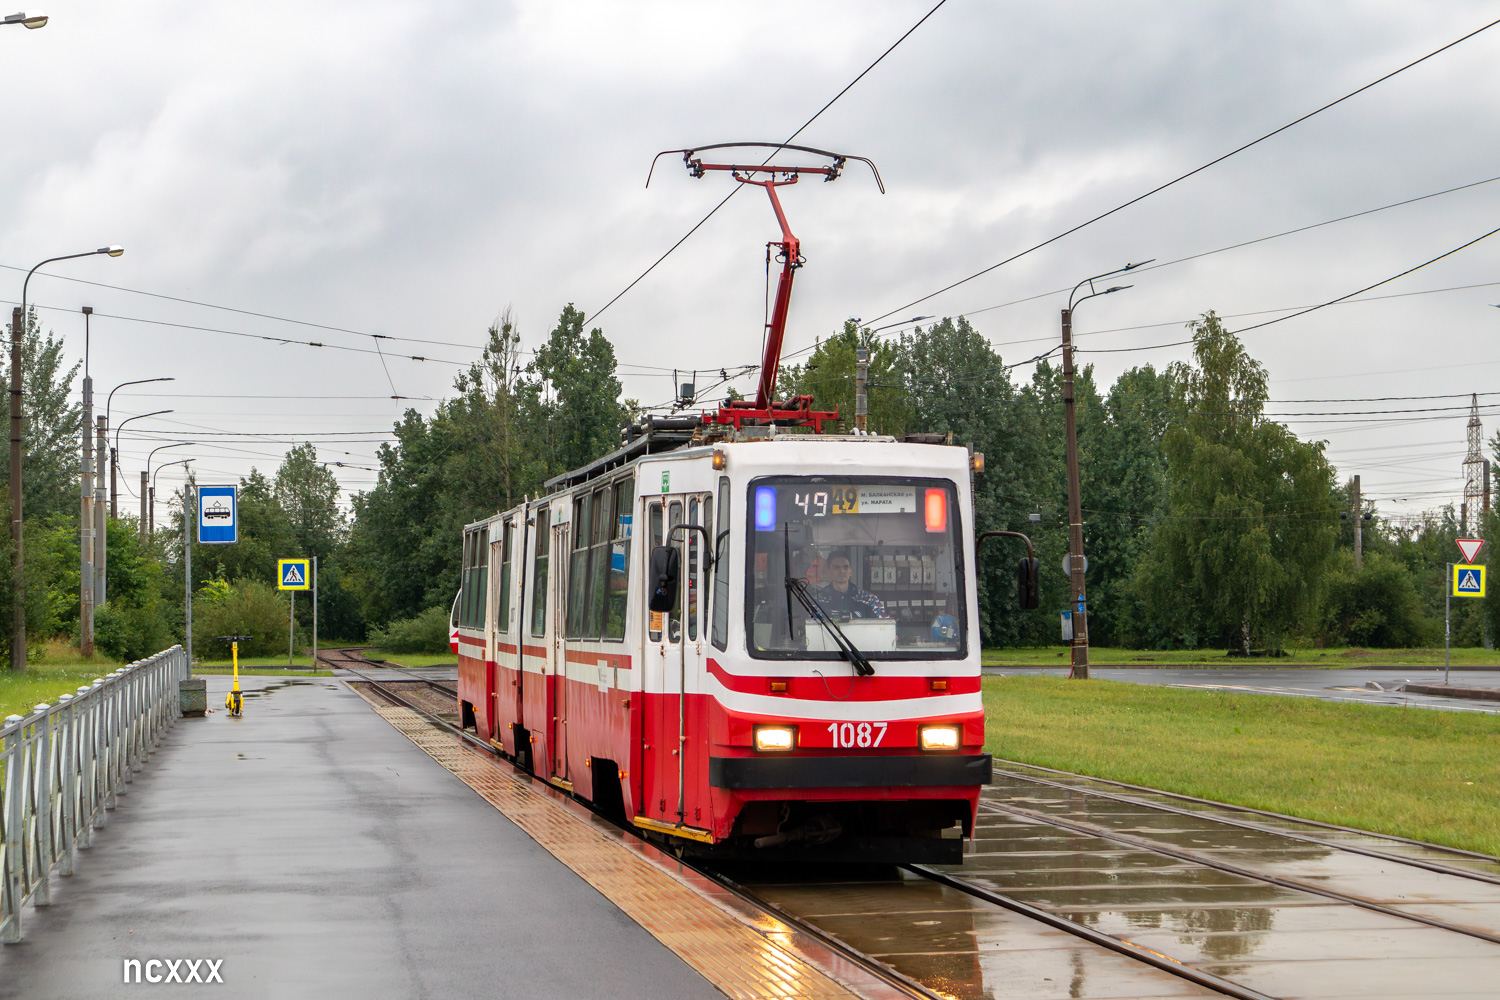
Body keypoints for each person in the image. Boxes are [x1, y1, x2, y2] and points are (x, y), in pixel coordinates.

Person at [816, 550, 889, 619]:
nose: (842, 571)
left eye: (845, 567)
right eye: (836, 567)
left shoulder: (869, 599)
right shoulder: (819, 600)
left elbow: (884, 626)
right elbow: (813, 627)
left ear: (850, 571)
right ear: (828, 572)